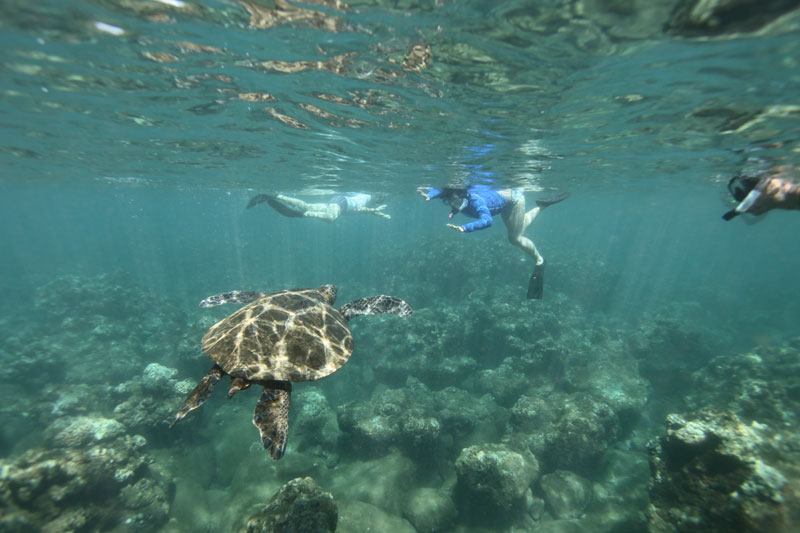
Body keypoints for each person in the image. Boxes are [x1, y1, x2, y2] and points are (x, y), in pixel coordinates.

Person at [417, 184, 569, 299]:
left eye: (455, 201)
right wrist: (431, 194)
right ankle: (541, 206)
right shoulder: (457, 197)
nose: (452, 204)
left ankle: (539, 259)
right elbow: (445, 191)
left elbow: (487, 220)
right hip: (505, 201)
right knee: (518, 230)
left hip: (514, 200)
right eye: (450, 201)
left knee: (515, 238)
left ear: (463, 196)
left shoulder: (476, 202)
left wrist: (466, 228)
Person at [722, 164, 800, 220]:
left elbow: (751, 198)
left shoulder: (770, 186)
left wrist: (735, 212)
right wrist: (735, 212)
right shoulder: (768, 188)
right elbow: (749, 201)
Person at [248, 192, 390, 222]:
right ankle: (303, 214)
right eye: (377, 198)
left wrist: (375, 212)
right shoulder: (366, 199)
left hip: (337, 202)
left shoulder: (368, 198)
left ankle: (275, 196)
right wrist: (372, 210)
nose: (376, 200)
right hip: (341, 204)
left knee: (306, 206)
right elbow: (359, 207)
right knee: (330, 218)